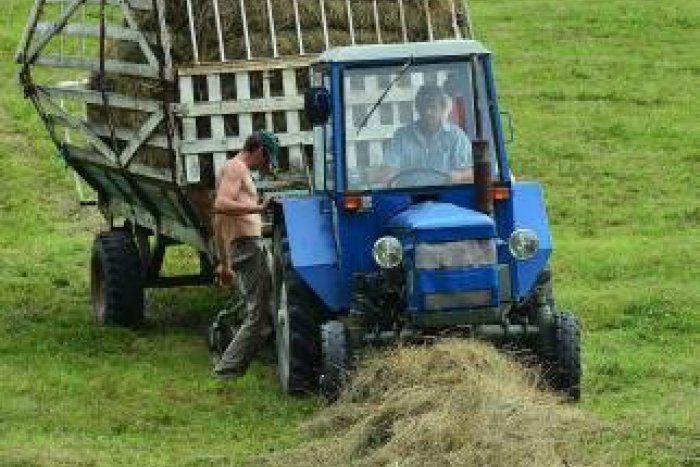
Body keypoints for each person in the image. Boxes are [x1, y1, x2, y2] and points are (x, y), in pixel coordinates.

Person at [211, 130, 279, 380]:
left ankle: (267, 358)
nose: (267, 166)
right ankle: (226, 371)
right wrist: (259, 207)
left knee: (265, 310)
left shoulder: (235, 169)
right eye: (267, 159)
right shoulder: (237, 168)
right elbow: (221, 204)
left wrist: (225, 262)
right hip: (249, 247)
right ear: (259, 151)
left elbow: (218, 222)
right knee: (258, 315)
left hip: (246, 246)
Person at [384, 83, 473, 185]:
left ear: (442, 108)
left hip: (446, 195)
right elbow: (389, 169)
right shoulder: (401, 136)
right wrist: (389, 175)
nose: (428, 112)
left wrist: (460, 175)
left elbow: (473, 172)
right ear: (417, 108)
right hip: (409, 195)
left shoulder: (456, 136)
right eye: (424, 108)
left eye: (433, 107)